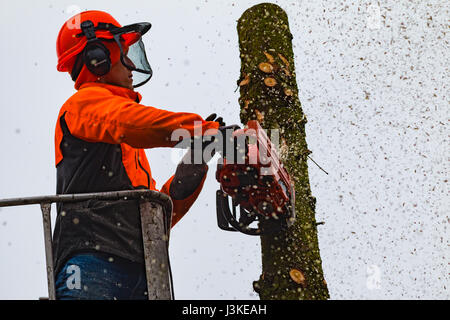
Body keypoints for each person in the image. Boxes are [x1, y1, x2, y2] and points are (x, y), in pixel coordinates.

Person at [53, 10, 226, 300]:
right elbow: (134, 123)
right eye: (123, 52)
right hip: (92, 262)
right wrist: (207, 132)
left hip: (142, 267)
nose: (132, 63)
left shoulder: (124, 140)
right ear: (97, 57)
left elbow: (153, 216)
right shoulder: (84, 105)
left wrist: (193, 165)